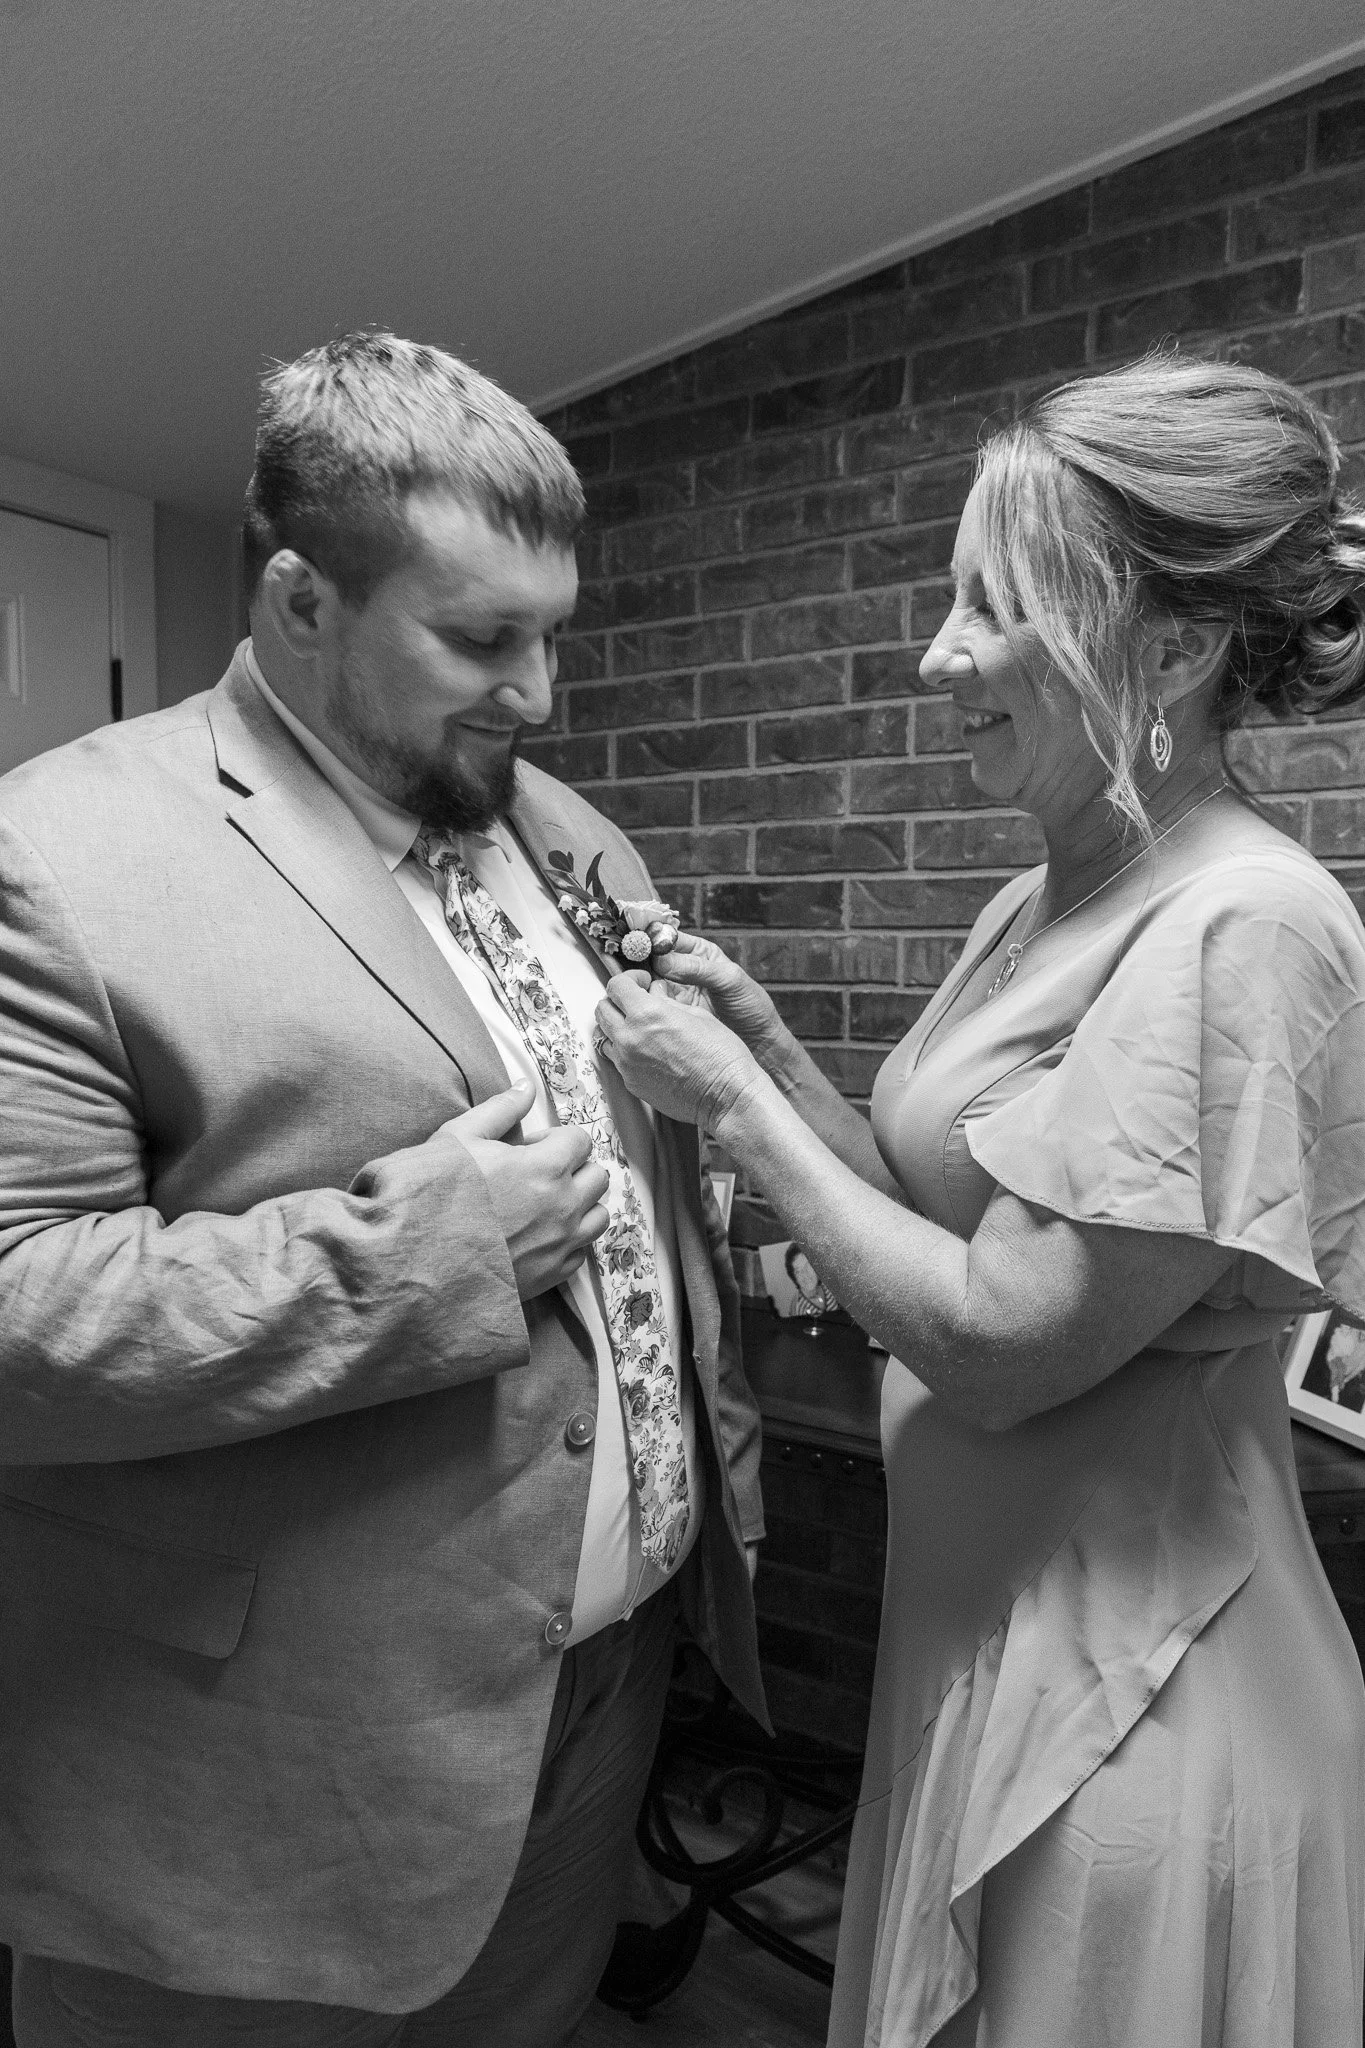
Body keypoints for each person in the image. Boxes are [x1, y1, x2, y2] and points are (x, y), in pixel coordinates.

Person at [0, 332, 765, 2048]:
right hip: (264, 1770)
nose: (541, 693)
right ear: (299, 602)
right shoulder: (48, 856)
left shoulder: (566, 830)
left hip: (598, 1693)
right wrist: (429, 1251)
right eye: (481, 639)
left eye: (553, 632)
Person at [595, 353, 1365, 2045]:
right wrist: (772, 1054)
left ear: (1168, 649)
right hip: (979, 1633)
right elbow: (955, 1220)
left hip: (1135, 1690)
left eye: (990, 606)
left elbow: (1010, 1342)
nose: (937, 653)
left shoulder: (1246, 924)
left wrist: (723, 1105)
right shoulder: (1044, 893)